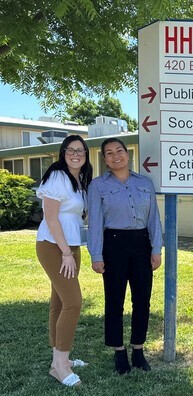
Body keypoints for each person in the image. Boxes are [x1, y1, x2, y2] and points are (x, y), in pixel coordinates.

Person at [87, 137, 163, 374]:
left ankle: (138, 351)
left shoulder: (145, 183)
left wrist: (156, 249)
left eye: (119, 150)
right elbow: (95, 222)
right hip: (114, 245)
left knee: (142, 299)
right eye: (109, 153)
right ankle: (119, 352)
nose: (115, 155)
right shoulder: (98, 185)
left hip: (141, 244)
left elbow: (153, 219)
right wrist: (96, 255)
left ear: (127, 154)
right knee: (114, 301)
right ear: (104, 159)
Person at [36, 135, 93, 387]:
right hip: (53, 245)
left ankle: (61, 358)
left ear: (85, 154)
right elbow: (50, 218)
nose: (75, 154)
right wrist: (66, 254)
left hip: (70, 243)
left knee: (59, 302)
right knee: (73, 302)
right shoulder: (58, 176)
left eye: (80, 150)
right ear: (63, 152)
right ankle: (59, 366)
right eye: (70, 150)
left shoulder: (79, 178)